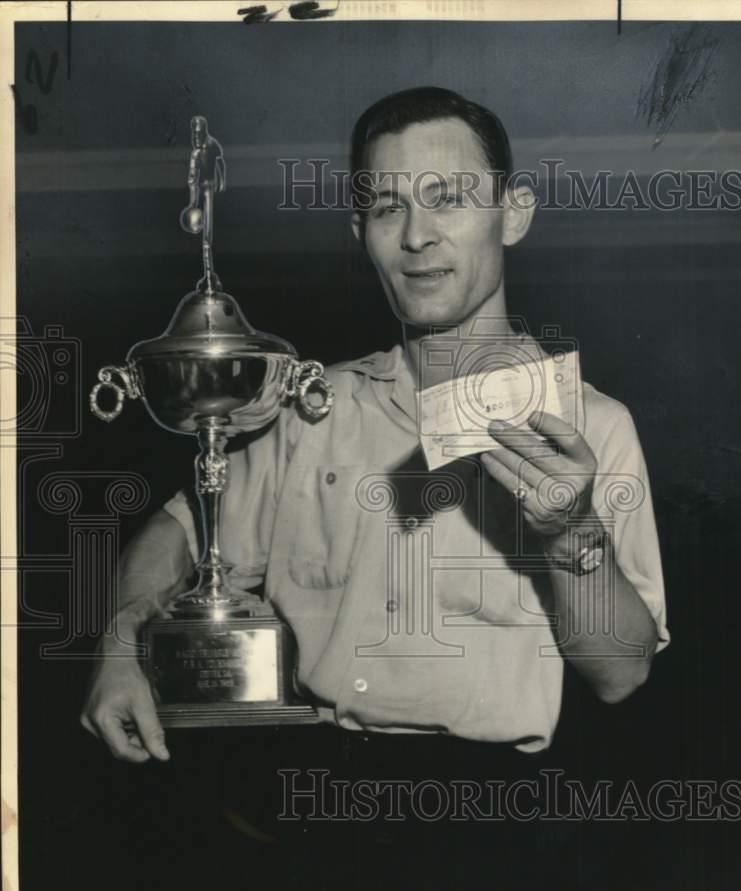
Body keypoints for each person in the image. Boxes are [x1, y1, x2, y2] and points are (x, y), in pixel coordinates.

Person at [81, 86, 669, 765]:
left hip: (501, 819)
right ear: (361, 235)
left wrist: (572, 534)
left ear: (512, 215)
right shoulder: (310, 407)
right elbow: (180, 531)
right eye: (389, 208)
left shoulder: (591, 426)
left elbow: (622, 674)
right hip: (300, 793)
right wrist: (120, 646)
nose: (417, 237)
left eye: (447, 198)